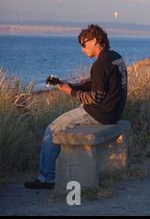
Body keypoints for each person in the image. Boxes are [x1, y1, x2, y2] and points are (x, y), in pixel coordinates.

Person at [25, 24, 128, 189]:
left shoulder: (100, 64)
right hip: (113, 113)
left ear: (94, 40)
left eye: (83, 44)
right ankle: (50, 175)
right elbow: (100, 85)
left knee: (51, 130)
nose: (82, 49)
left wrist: (70, 91)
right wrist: (73, 85)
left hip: (99, 114)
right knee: (60, 124)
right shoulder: (115, 57)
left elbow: (95, 99)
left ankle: (47, 178)